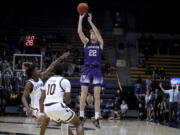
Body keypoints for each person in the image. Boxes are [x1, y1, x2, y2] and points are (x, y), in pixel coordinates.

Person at [21, 52, 71, 135]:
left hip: (44, 105)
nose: (38, 71)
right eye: (35, 70)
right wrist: (27, 108)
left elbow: (51, 67)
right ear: (32, 73)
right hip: (36, 108)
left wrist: (60, 58)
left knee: (61, 121)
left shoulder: (39, 76)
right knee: (55, 120)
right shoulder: (29, 83)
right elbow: (23, 97)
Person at [39, 63, 84, 135]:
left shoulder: (48, 81)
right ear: (63, 72)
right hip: (58, 106)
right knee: (78, 124)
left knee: (64, 122)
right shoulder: (65, 81)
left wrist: (41, 113)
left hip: (47, 109)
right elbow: (68, 101)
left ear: (53, 71)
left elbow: (41, 98)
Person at [78, 13, 104, 128]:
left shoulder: (100, 43)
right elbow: (79, 32)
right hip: (87, 69)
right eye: (91, 33)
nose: (92, 34)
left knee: (97, 95)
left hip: (97, 70)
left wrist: (90, 21)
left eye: (93, 33)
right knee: (83, 94)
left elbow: (97, 32)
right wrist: (80, 19)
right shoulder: (86, 43)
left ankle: (97, 117)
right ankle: (81, 116)